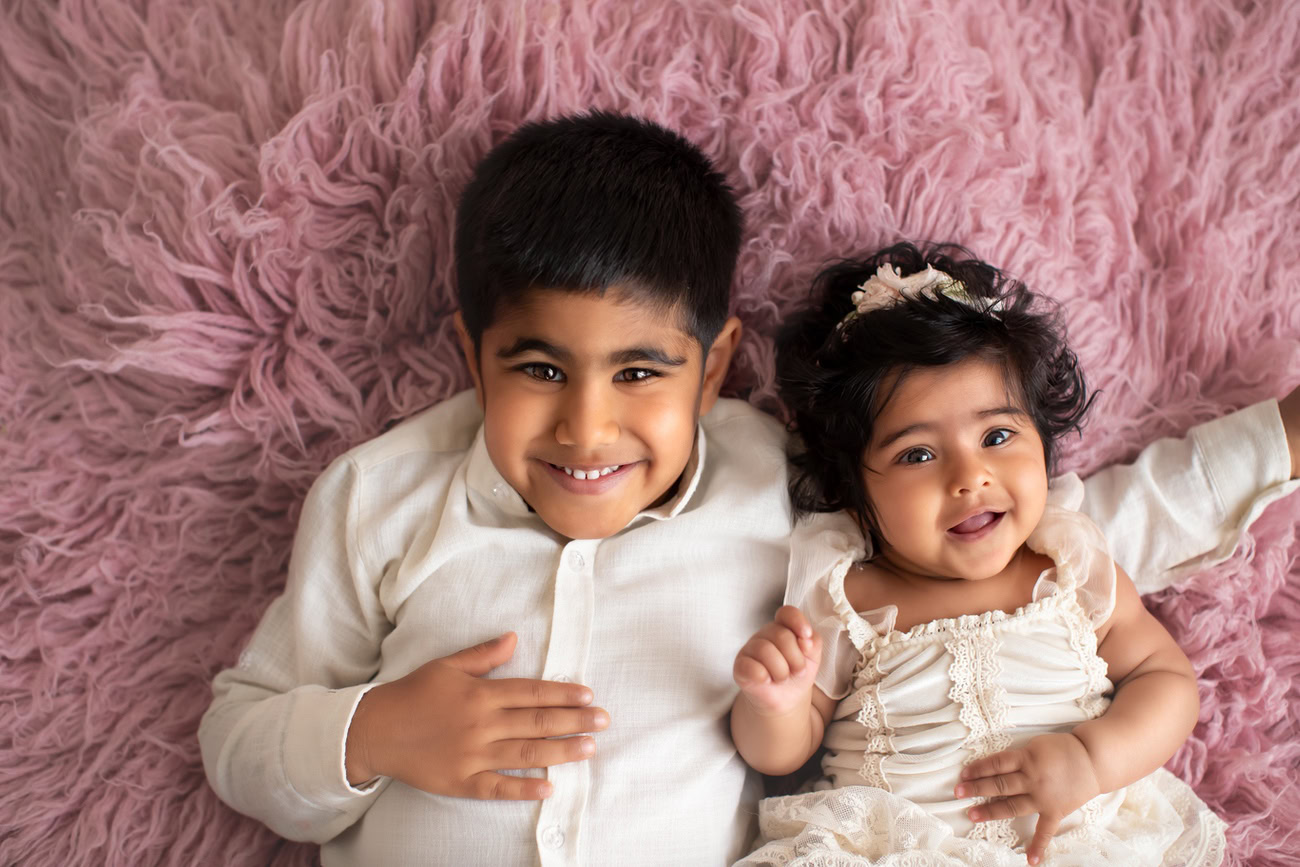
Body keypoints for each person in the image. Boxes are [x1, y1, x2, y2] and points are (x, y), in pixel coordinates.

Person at [199, 112, 1299, 866]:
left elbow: (1021, 535)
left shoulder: (771, 482)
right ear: (469, 353)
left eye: (640, 372)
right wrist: (375, 734)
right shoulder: (379, 496)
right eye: (537, 370)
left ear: (716, 364)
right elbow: (240, 735)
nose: (588, 425)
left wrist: (1273, 443)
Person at [731, 243, 1299, 866]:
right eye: (917, 454)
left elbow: (1165, 681)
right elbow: (781, 753)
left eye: (997, 436)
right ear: (853, 486)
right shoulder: (845, 595)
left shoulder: (1066, 566)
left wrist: (1093, 758)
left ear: (1042, 441)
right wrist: (775, 704)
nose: (969, 476)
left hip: (1072, 843)